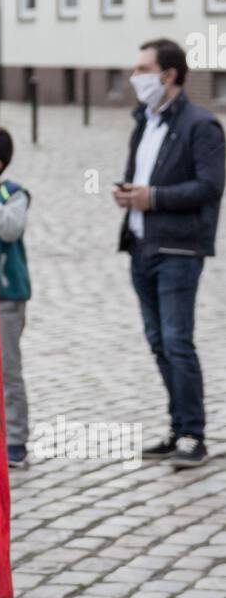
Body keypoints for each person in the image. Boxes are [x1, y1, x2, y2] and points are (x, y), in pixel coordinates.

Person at [115, 40, 225, 469]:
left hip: (179, 248)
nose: (135, 76)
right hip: (142, 245)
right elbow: (140, 174)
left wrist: (154, 198)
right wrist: (129, 194)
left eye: (143, 68)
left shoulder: (201, 124)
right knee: (159, 341)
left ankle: (194, 434)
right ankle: (177, 427)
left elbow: (211, 186)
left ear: (170, 75)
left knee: (178, 341)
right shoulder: (145, 120)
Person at [0, 125, 31, 469]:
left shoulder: (13, 194)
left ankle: (16, 438)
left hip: (6, 297)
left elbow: (10, 228)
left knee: (9, 368)